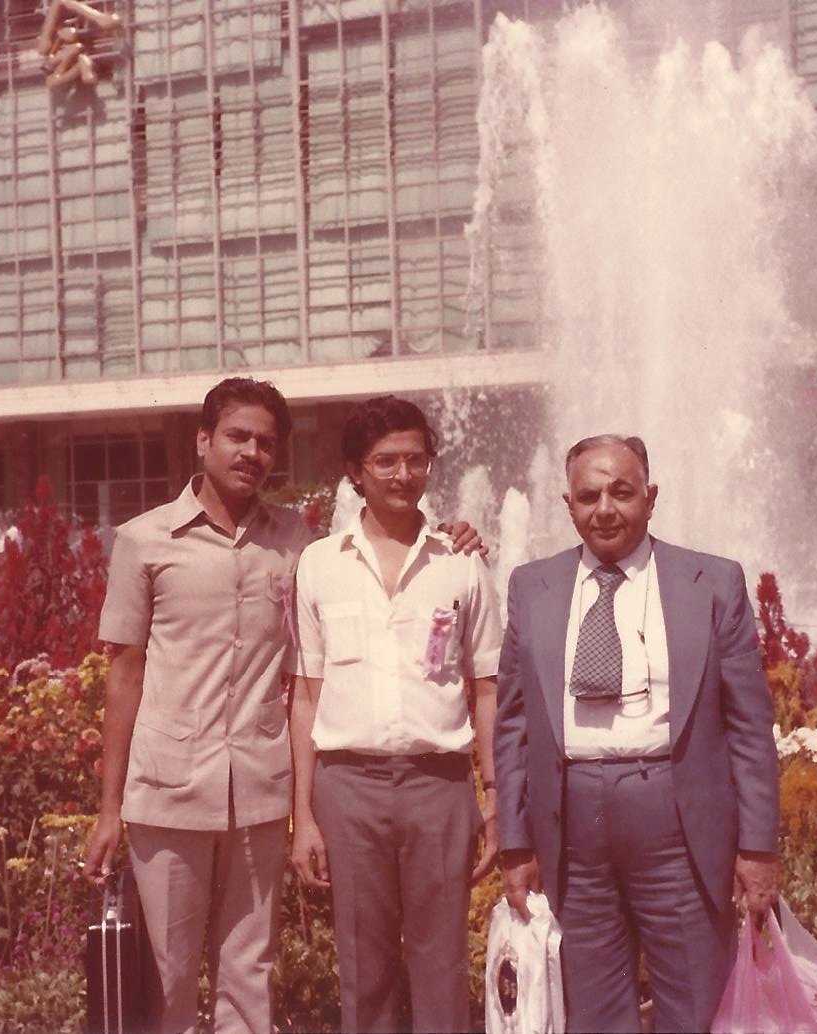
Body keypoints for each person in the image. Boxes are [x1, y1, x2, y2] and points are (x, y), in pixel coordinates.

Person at [85, 378, 482, 1034]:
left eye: (266, 443)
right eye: (237, 437)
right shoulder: (144, 542)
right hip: (169, 791)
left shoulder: (298, 544)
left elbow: (331, 639)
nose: (251, 453)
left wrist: (454, 534)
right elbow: (122, 679)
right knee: (170, 974)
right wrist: (108, 810)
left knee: (250, 974)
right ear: (204, 440)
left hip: (261, 795)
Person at [493, 434, 780, 1033]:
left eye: (622, 492)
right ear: (567, 504)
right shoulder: (532, 587)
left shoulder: (712, 582)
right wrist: (516, 843)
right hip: (573, 826)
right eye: (589, 495)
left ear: (651, 498)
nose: (605, 509)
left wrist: (757, 847)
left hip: (676, 817)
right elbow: (514, 724)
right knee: (592, 1007)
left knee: (697, 999)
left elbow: (750, 727)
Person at [289, 395, 501, 1033]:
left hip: (437, 785)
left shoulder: (461, 562)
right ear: (356, 471)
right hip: (347, 787)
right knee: (365, 966)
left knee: (442, 964)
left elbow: (487, 685)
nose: (403, 475)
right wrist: (303, 816)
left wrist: (493, 793)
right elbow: (305, 693)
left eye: (416, 459)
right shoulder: (320, 564)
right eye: (385, 462)